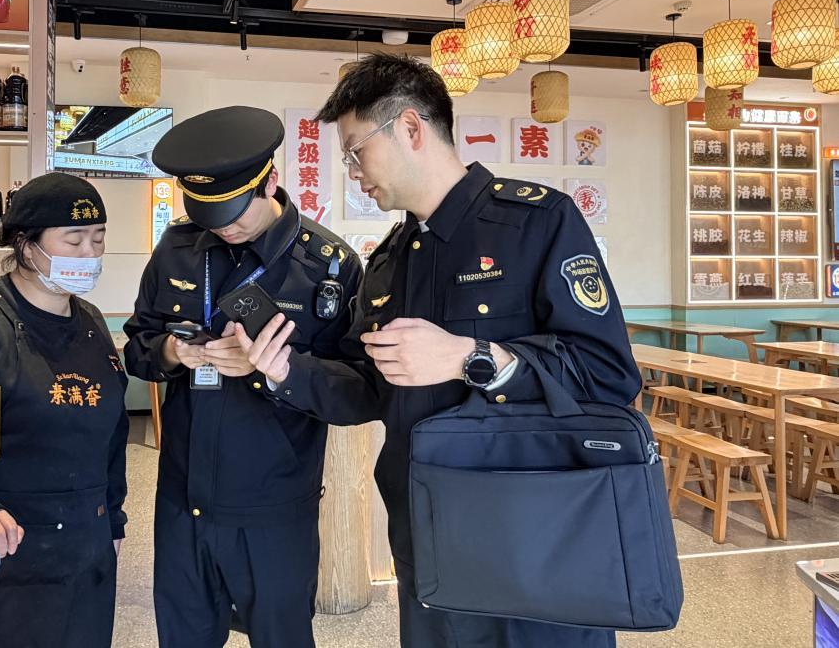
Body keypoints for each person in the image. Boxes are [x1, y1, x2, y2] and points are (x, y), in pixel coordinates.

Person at [239, 54, 641, 648]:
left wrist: (472, 357)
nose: (352, 171)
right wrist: (285, 372)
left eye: (356, 151)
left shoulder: (536, 222)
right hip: (425, 537)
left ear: (409, 127)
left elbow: (607, 373)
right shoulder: (387, 262)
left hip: (533, 541)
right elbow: (368, 389)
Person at [123, 106, 362, 648]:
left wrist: (282, 372)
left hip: (273, 511)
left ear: (270, 182)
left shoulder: (327, 267)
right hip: (182, 500)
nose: (222, 227)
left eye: (232, 212)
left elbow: (359, 393)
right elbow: (137, 348)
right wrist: (172, 352)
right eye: (207, 214)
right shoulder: (177, 251)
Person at [0, 173, 127, 648]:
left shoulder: (90, 321)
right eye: (74, 240)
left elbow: (112, 433)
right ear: (26, 247)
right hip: (7, 547)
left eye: (98, 239)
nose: (90, 254)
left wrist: (114, 520)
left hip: (88, 545)